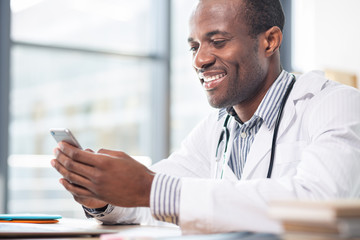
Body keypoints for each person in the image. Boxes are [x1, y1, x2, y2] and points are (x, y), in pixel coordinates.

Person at [51, 0, 360, 235]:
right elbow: (155, 199)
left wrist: (148, 188)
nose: (200, 59)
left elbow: (321, 203)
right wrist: (102, 197)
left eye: (218, 41)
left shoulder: (335, 103)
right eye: (195, 46)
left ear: (269, 41)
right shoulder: (217, 128)